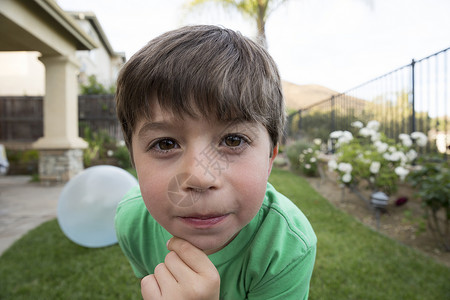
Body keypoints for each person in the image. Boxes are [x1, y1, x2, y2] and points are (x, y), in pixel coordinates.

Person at [114, 25, 317, 300]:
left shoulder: (288, 246)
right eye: (165, 144)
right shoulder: (131, 222)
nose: (200, 177)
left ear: (270, 157)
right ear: (134, 162)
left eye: (233, 140)